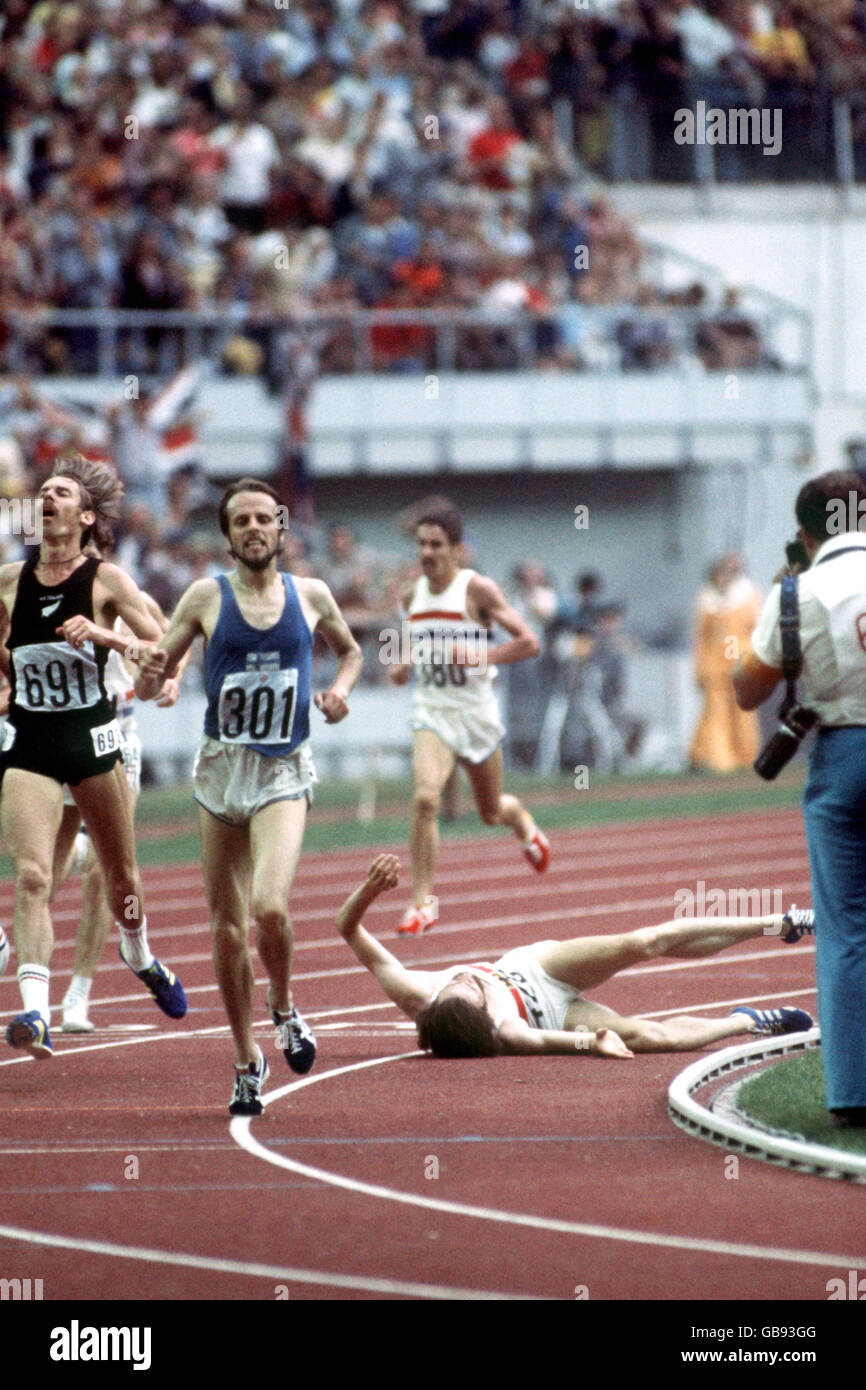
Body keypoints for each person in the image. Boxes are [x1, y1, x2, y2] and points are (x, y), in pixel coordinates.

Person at [136, 477, 362, 1117]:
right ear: (229, 535)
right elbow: (164, 663)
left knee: (270, 907)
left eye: (266, 518)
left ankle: (284, 1007)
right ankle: (245, 1061)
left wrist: (340, 691)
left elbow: (349, 654)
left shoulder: (311, 594)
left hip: (284, 769)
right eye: (242, 521)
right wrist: (156, 677)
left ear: (282, 530)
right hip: (220, 772)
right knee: (227, 930)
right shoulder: (206, 596)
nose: (255, 529)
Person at [0, 455, 187, 1059]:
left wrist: (107, 637)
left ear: (84, 517)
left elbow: (164, 652)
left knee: (121, 877)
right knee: (31, 877)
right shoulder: (8, 581)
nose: (45, 498)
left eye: (60, 492)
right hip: (31, 741)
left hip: (93, 740)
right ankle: (35, 1011)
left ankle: (139, 952)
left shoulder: (108, 581)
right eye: (41, 492)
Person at [336, 854, 815, 1057]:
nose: (471, 981)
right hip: (558, 1014)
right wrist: (596, 1041)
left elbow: (347, 927)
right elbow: (546, 1044)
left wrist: (370, 888)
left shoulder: (418, 994)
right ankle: (748, 1020)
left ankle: (777, 923)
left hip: (535, 968)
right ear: (482, 1020)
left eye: (463, 982)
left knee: (641, 943)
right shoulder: (509, 1032)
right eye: (472, 992)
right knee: (653, 1038)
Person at [733, 469, 866, 1128]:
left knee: (845, 931)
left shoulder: (800, 592)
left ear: (806, 531)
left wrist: (790, 589)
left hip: (842, 758)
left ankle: (852, 1094)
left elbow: (746, 689)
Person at [389, 504, 550, 936]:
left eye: (436, 544)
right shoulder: (409, 594)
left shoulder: (476, 590)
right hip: (432, 711)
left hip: (476, 714)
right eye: (421, 543)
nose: (426, 552)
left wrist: (484, 655)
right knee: (426, 799)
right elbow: (410, 642)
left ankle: (524, 825)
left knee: (491, 811)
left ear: (457, 550)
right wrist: (401, 663)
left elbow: (529, 642)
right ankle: (422, 903)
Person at [690, 552, 763, 773]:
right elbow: (700, 637)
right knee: (716, 711)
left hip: (740, 658)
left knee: (743, 710)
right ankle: (717, 758)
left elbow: (757, 628)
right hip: (714, 663)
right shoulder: (707, 601)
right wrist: (699, 666)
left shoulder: (747, 595)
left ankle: (746, 755)